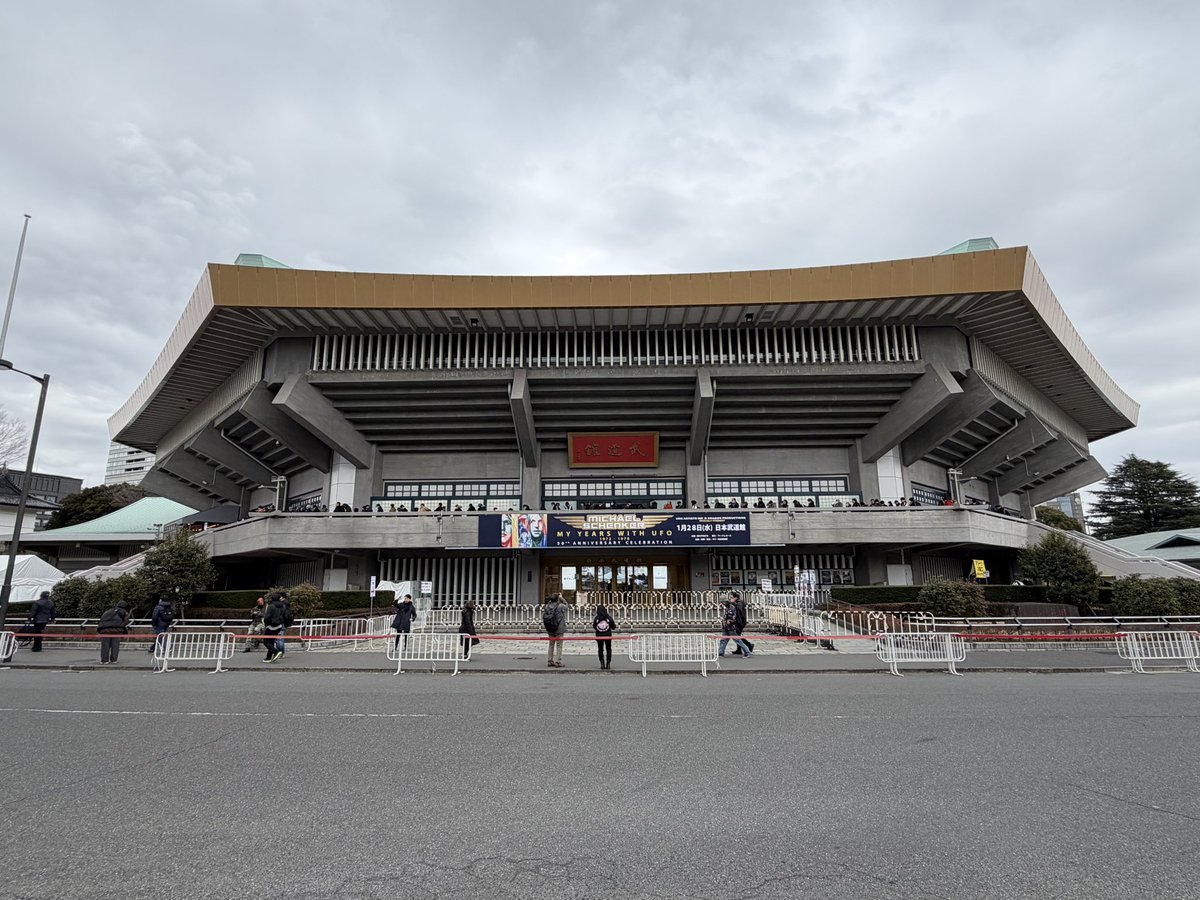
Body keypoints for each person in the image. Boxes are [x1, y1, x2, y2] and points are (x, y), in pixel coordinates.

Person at [96, 600, 130, 665]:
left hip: (104, 630)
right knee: (115, 646)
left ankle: (104, 660)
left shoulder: (109, 611)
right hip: (117, 631)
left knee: (105, 646)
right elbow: (126, 621)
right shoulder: (124, 612)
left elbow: (102, 619)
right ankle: (113, 660)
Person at [262, 591, 290, 663]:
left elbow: (267, 617)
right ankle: (268, 658)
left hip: (271, 626)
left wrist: (266, 624)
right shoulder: (282, 606)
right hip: (279, 626)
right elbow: (284, 615)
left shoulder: (271, 606)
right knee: (271, 642)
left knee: (265, 642)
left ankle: (276, 652)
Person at [542, 593, 568, 668]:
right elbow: (567, 606)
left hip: (550, 628)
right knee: (559, 645)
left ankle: (550, 660)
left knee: (551, 645)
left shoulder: (547, 606)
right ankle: (557, 661)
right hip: (559, 628)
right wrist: (562, 598)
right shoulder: (560, 606)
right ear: (557, 599)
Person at [729, 591, 755, 656]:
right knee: (738, 635)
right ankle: (739, 649)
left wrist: (733, 604)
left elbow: (739, 612)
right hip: (738, 621)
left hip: (740, 622)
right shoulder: (737, 603)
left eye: (731, 597)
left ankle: (748, 645)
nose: (730, 599)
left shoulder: (739, 603)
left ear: (735, 598)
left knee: (737, 635)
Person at [592, 604, 616, 669]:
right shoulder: (608, 617)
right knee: (608, 649)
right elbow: (614, 626)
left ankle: (602, 663)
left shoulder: (596, 618)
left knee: (600, 649)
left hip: (599, 635)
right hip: (608, 635)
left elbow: (594, 626)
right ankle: (608, 663)